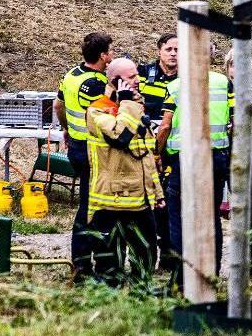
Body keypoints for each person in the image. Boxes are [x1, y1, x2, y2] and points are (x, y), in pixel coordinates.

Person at [84, 57, 166, 286]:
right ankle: (110, 303)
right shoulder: (98, 111)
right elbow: (121, 136)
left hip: (139, 200)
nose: (138, 80)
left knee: (147, 255)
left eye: (137, 75)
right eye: (131, 77)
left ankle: (140, 297)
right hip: (111, 202)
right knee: (110, 262)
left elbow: (147, 156)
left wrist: (156, 193)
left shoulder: (134, 107)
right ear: (116, 81)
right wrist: (128, 103)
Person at [157, 46, 231, 273]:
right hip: (217, 157)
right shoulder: (223, 83)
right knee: (211, 215)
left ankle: (181, 275)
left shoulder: (177, 86)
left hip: (186, 160)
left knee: (178, 216)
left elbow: (166, 125)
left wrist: (157, 153)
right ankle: (212, 271)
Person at [60, 33, 113, 272]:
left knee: (88, 203)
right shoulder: (95, 83)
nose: (112, 56)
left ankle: (85, 261)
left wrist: (66, 129)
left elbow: (58, 105)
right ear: (103, 55)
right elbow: (104, 117)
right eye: (110, 51)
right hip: (92, 150)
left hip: (76, 146)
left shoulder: (72, 74)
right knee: (91, 208)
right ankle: (84, 262)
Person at [137, 33, 178, 127]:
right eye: (168, 49)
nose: (173, 53)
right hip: (146, 133)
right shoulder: (143, 73)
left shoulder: (187, 79)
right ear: (159, 52)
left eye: (177, 50)